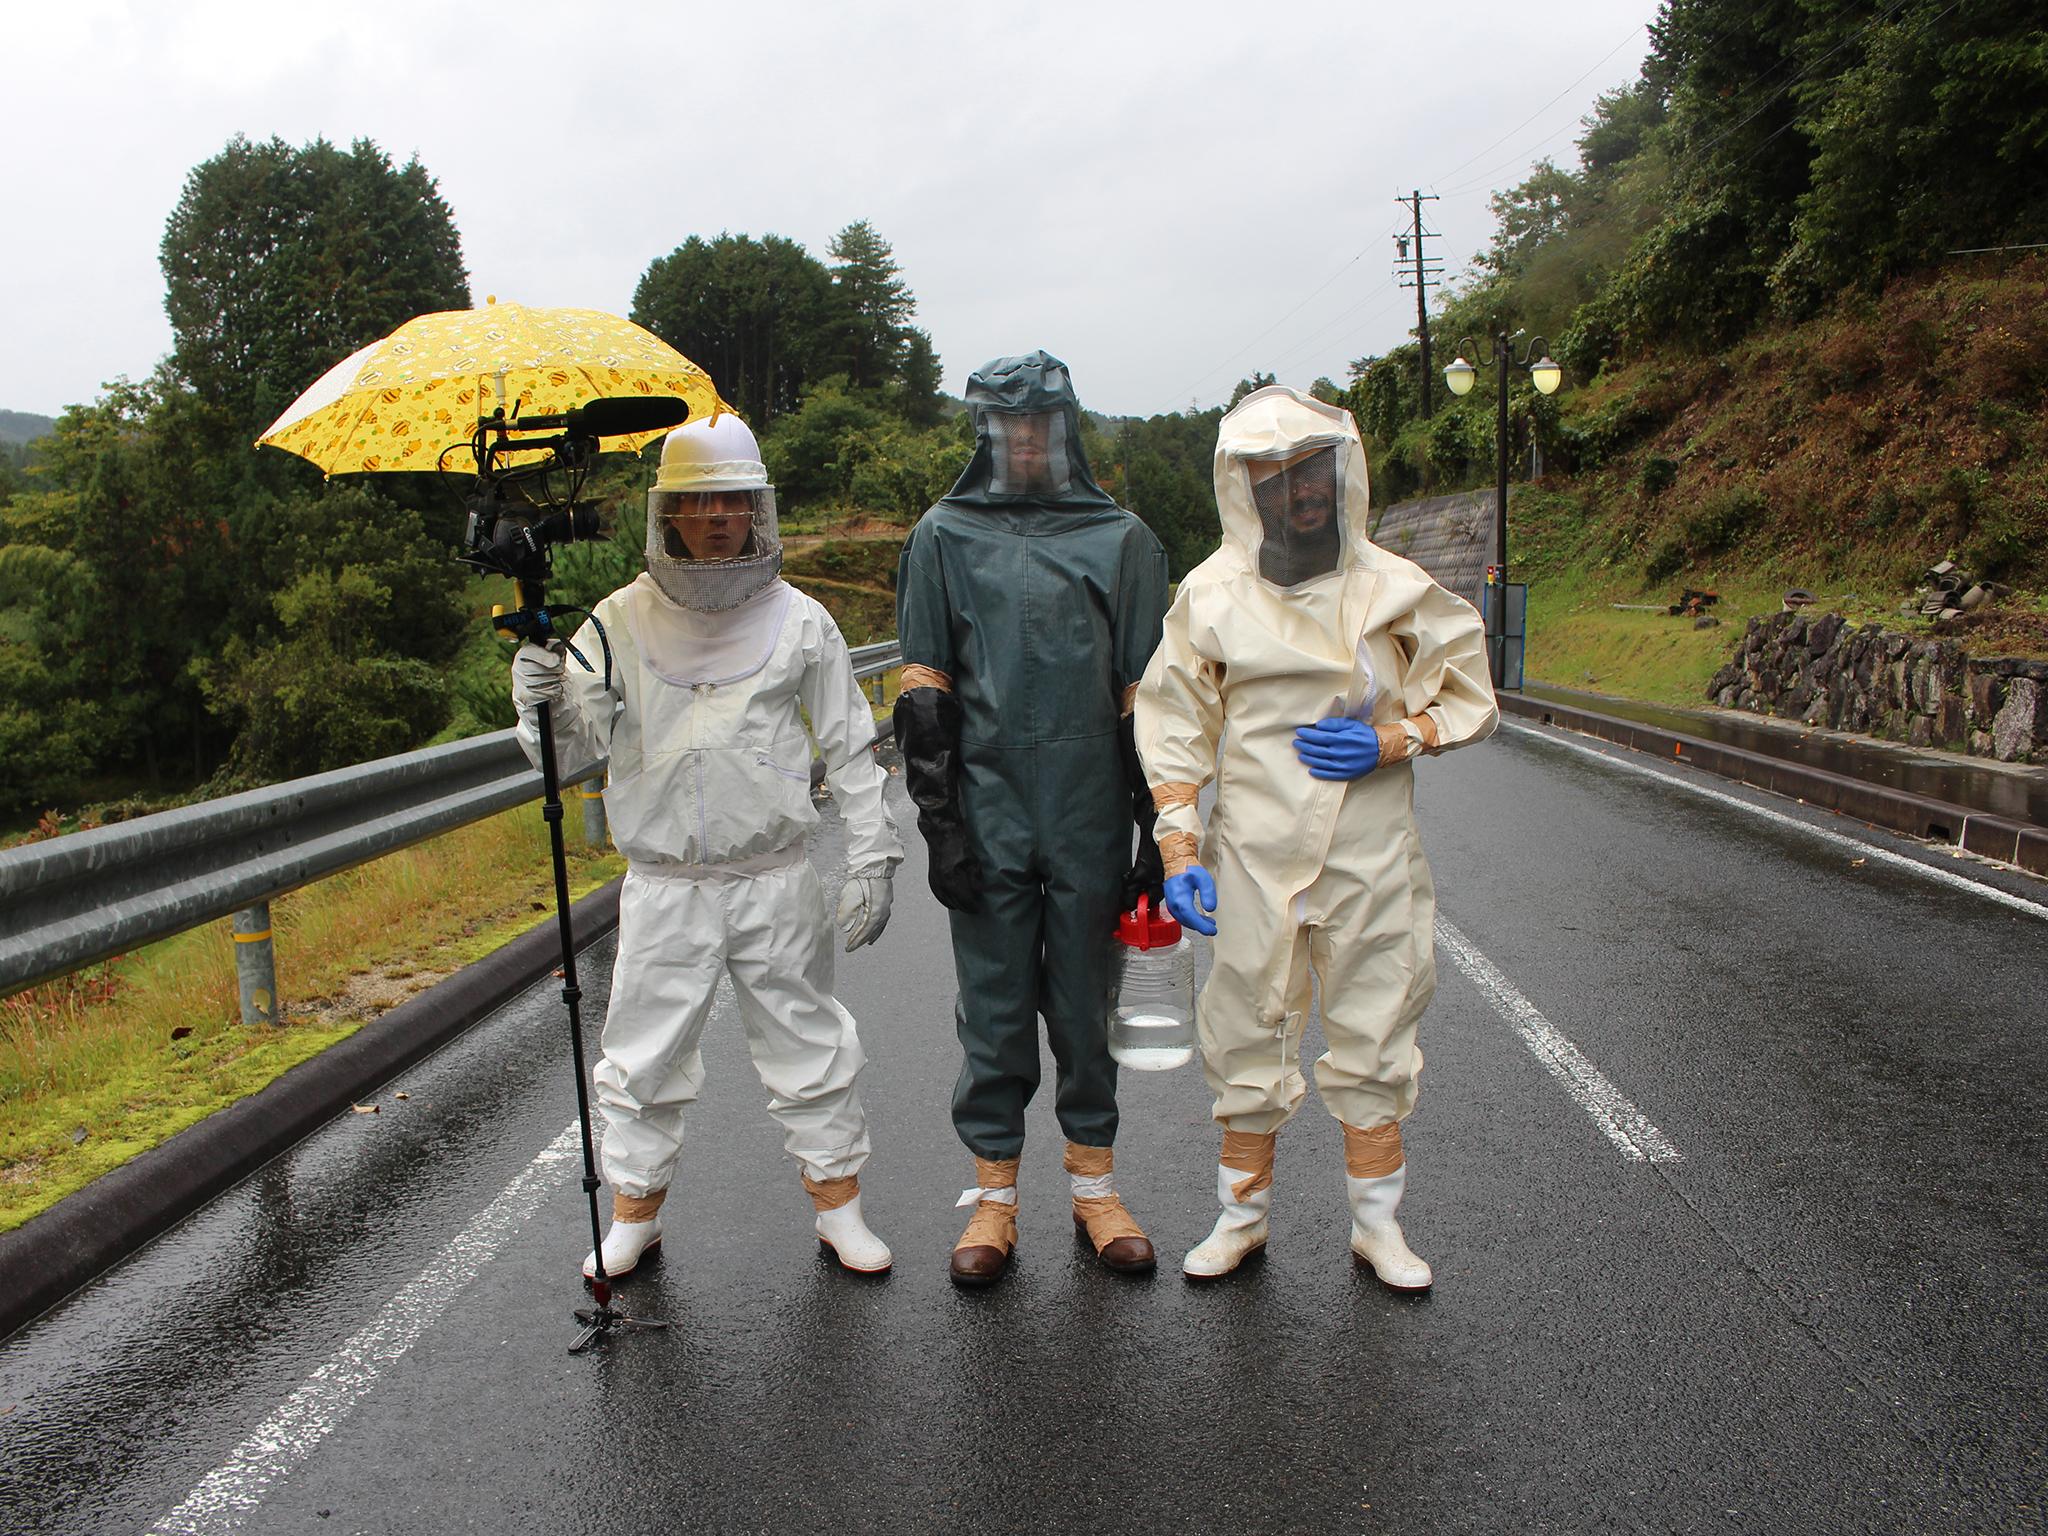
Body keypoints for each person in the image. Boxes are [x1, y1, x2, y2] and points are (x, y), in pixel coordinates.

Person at [512, 412, 902, 1281]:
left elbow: (850, 742)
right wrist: (539, 696)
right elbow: (565, 754)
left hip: (775, 877)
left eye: (733, 499)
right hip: (663, 885)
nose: (719, 515)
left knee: (810, 1048)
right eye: (699, 501)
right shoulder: (614, 622)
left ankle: (841, 1210)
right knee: (643, 1055)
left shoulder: (801, 619)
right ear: (671, 515)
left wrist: (873, 852)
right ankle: (634, 1218)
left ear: (757, 508)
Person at [1133, 384, 1498, 1287]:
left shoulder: (1396, 590)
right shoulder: (1212, 596)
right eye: (1273, 477)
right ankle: (1240, 1219)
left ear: (1340, 477)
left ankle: (1379, 1227)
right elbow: (1176, 725)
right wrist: (1180, 852)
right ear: (1244, 489)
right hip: (1253, 857)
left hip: (1370, 857)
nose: (1295, 492)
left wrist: (1393, 738)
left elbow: (1469, 692)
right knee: (1246, 1027)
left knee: (1375, 1029)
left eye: (1308, 472)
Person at [894, 351, 1170, 1286]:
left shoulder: (1121, 539)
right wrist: (940, 819)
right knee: (997, 1004)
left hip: (1089, 802)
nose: (1022, 438)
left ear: (1064, 431)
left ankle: (1096, 1188)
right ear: (984, 431)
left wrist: (1154, 830)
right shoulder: (943, 535)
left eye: (1039, 423)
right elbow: (924, 682)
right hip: (987, 797)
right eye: (1006, 424)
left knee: (1088, 1006)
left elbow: (1147, 694)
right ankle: (995, 1200)